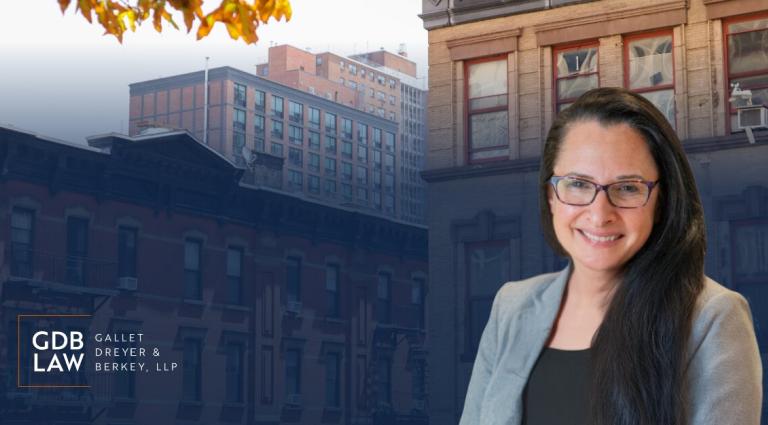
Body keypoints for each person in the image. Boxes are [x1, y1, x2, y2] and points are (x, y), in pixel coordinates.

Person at [458, 87, 762, 425]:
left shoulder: (713, 318)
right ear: (551, 196)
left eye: (628, 187)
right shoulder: (510, 307)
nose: (599, 214)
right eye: (578, 184)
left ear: (661, 202)